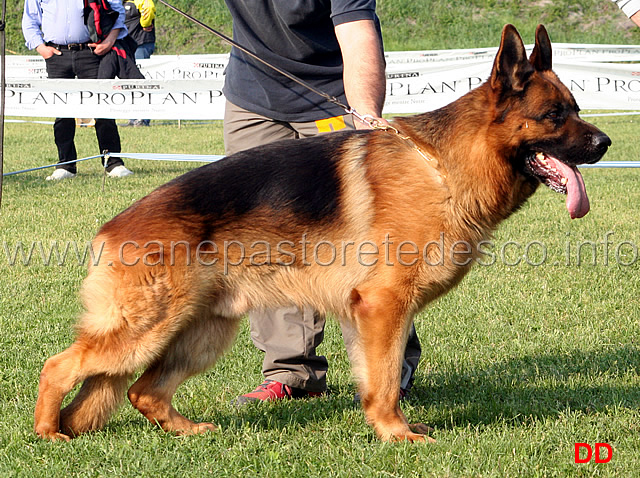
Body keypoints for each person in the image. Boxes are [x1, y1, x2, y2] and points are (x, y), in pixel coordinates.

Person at [223, 0, 422, 405]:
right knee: (263, 244)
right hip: (253, 98)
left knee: (361, 246)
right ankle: (291, 373)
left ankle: (388, 371)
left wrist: (365, 113)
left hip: (332, 95)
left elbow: (357, 29)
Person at [22, 0, 134, 180]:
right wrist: (41, 48)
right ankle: (65, 165)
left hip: (92, 52)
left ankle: (113, 163)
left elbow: (118, 11)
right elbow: (30, 19)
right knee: (62, 113)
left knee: (102, 109)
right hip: (56, 54)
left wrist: (110, 40)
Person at [122, 0, 156, 127]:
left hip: (141, 44)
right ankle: (133, 118)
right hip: (129, 44)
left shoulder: (140, 0)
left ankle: (143, 118)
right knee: (131, 83)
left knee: (141, 83)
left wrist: (145, 23)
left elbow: (149, 7)